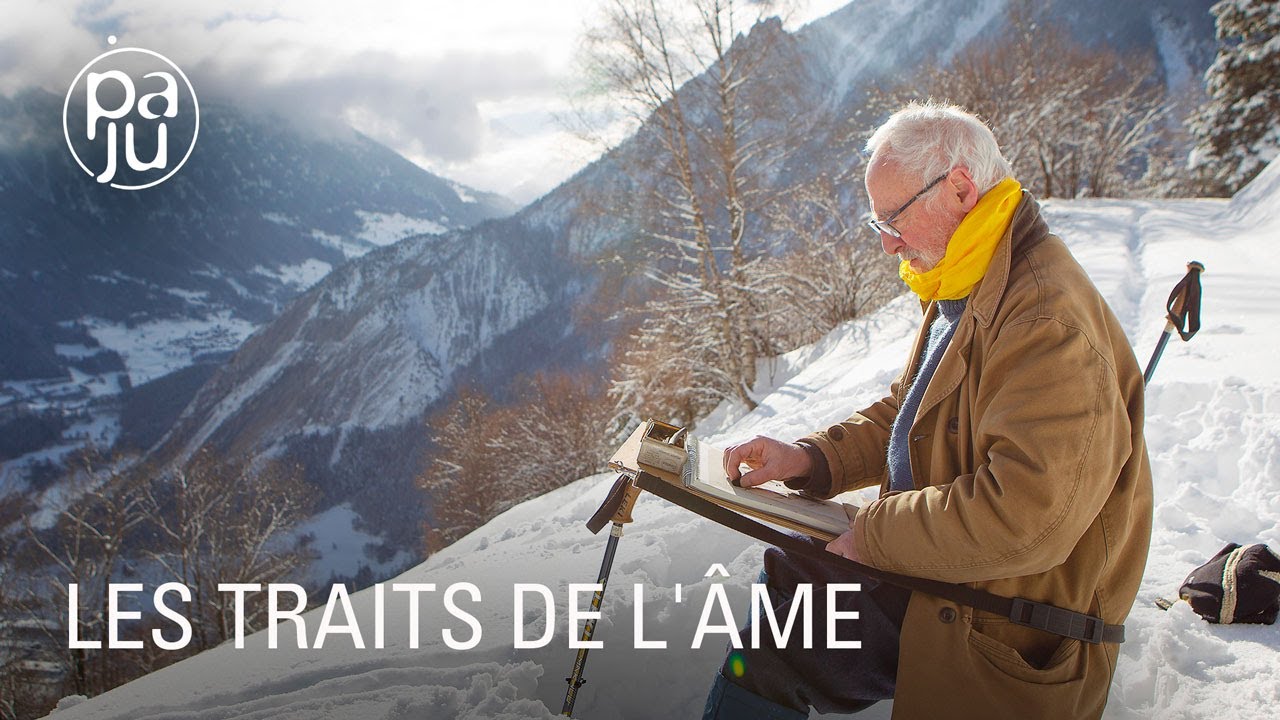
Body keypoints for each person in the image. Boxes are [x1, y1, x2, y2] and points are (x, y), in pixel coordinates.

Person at [701, 102, 1153, 720]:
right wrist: (809, 458)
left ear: (961, 189)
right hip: (958, 571)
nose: (888, 243)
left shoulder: (1044, 320)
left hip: (1012, 614)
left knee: (789, 634)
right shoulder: (973, 278)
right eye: (876, 222)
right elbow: (914, 413)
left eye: (894, 218)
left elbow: (1026, 517)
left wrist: (879, 532)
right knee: (795, 586)